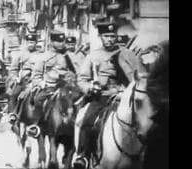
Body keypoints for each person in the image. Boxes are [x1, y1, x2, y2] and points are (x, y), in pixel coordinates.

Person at [72, 22, 134, 168]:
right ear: (101, 37)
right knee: (87, 120)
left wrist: (125, 92)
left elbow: (136, 77)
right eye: (107, 36)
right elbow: (82, 79)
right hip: (102, 96)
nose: (110, 39)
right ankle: (83, 155)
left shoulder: (127, 54)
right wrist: (90, 88)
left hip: (124, 96)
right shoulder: (93, 56)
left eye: (113, 36)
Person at [31, 30, 76, 112]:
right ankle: (38, 123)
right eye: (58, 41)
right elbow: (36, 75)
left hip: (65, 87)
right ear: (51, 42)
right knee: (38, 100)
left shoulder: (67, 56)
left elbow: (74, 71)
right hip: (49, 87)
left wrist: (71, 78)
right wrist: (41, 83)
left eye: (62, 41)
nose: (61, 44)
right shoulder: (43, 57)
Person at [6, 33, 40, 120]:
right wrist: (15, 78)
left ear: (36, 43)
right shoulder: (20, 55)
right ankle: (13, 113)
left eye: (32, 42)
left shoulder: (40, 55)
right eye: (29, 42)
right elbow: (13, 69)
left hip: (35, 80)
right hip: (23, 81)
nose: (30, 44)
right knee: (14, 94)